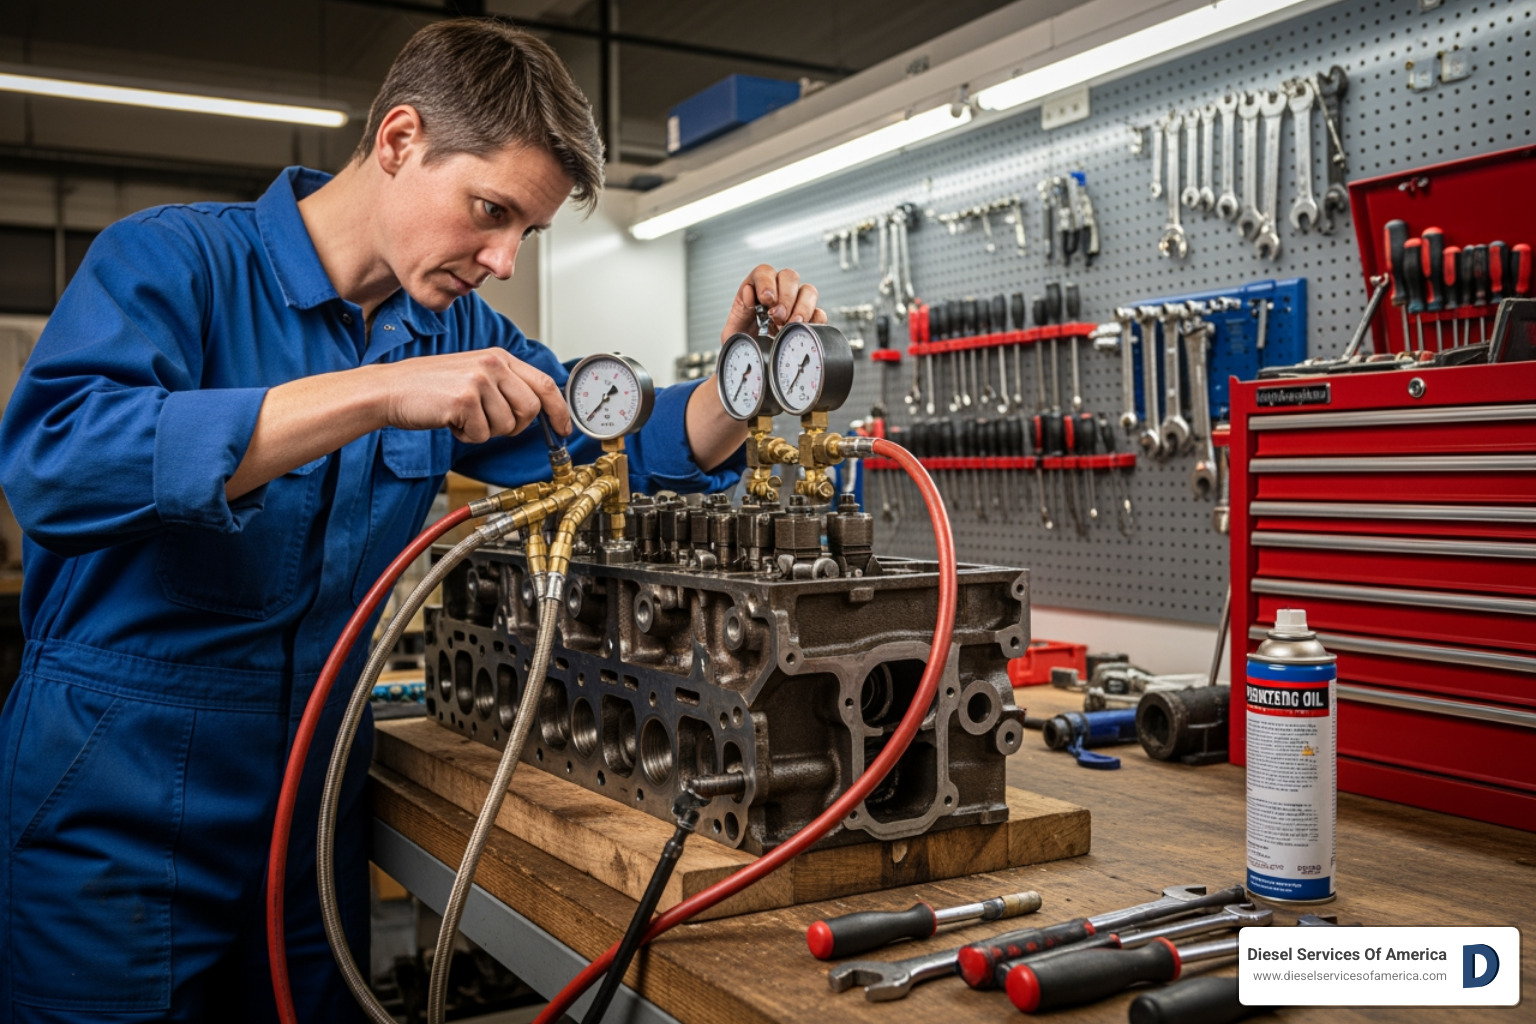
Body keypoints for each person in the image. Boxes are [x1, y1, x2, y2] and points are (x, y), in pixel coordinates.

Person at [0, 18, 825, 1023]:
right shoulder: (175, 263)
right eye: (490, 210)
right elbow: (59, 460)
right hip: (115, 819)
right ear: (397, 141)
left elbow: (604, 439)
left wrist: (739, 388)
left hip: (314, 815)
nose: (503, 258)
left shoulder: (451, 325)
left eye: (526, 231)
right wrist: (378, 392)